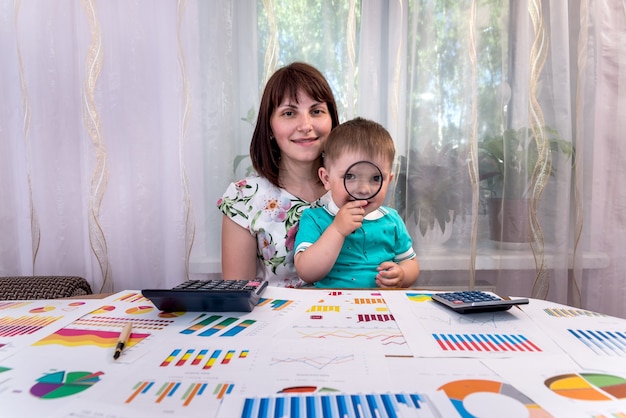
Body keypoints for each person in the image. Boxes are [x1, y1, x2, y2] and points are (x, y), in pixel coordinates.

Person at [217, 62, 340, 287]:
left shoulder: (354, 187)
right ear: (270, 128)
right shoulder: (242, 198)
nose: (306, 125)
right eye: (289, 113)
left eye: (316, 111)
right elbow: (238, 296)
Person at [294, 117, 420, 288]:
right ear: (326, 178)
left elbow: (411, 263)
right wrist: (337, 230)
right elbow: (307, 273)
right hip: (331, 307)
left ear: (389, 181)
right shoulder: (315, 218)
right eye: (350, 176)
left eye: (376, 178)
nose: (364, 189)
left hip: (381, 307)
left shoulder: (392, 220)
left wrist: (402, 274)